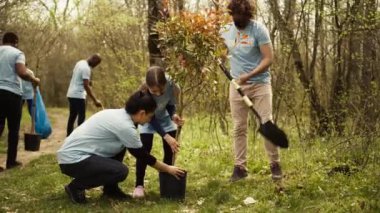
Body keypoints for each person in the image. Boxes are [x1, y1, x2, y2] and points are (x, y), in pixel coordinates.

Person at [57, 90, 185, 204]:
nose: (149, 120)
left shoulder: (119, 114)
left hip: (74, 156)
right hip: (72, 160)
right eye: (150, 116)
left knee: (122, 146)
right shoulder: (125, 126)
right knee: (120, 171)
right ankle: (75, 187)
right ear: (141, 113)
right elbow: (143, 156)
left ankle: (110, 190)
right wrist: (168, 169)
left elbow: (133, 149)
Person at [220, 0, 282, 182]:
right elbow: (221, 52)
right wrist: (219, 59)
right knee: (239, 127)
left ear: (249, 15)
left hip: (260, 84)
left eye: (242, 17)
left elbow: (268, 58)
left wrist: (250, 75)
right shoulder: (225, 30)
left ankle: (275, 164)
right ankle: (240, 168)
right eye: (235, 16)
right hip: (237, 86)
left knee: (266, 122)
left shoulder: (258, 30)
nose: (238, 20)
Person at [133, 66, 185, 198]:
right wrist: (166, 136)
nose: (157, 94)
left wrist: (173, 115)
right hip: (148, 119)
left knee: (169, 150)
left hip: (165, 119)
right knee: (144, 150)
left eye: (160, 90)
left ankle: (167, 184)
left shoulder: (172, 84)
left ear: (165, 84)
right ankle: (139, 185)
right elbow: (151, 118)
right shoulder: (143, 92)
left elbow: (170, 104)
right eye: (154, 91)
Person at [0, 32, 40, 172]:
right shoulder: (17, 53)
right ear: (15, 41)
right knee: (13, 129)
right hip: (12, 93)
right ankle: (11, 162)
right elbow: (22, 72)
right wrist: (34, 80)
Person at [66, 54, 103, 136]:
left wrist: (88, 81)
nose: (95, 66)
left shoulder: (80, 62)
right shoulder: (86, 68)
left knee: (72, 116)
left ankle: (68, 137)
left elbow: (79, 78)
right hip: (78, 95)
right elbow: (86, 86)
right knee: (81, 118)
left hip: (71, 94)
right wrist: (95, 100)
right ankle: (79, 138)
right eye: (96, 63)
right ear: (93, 59)